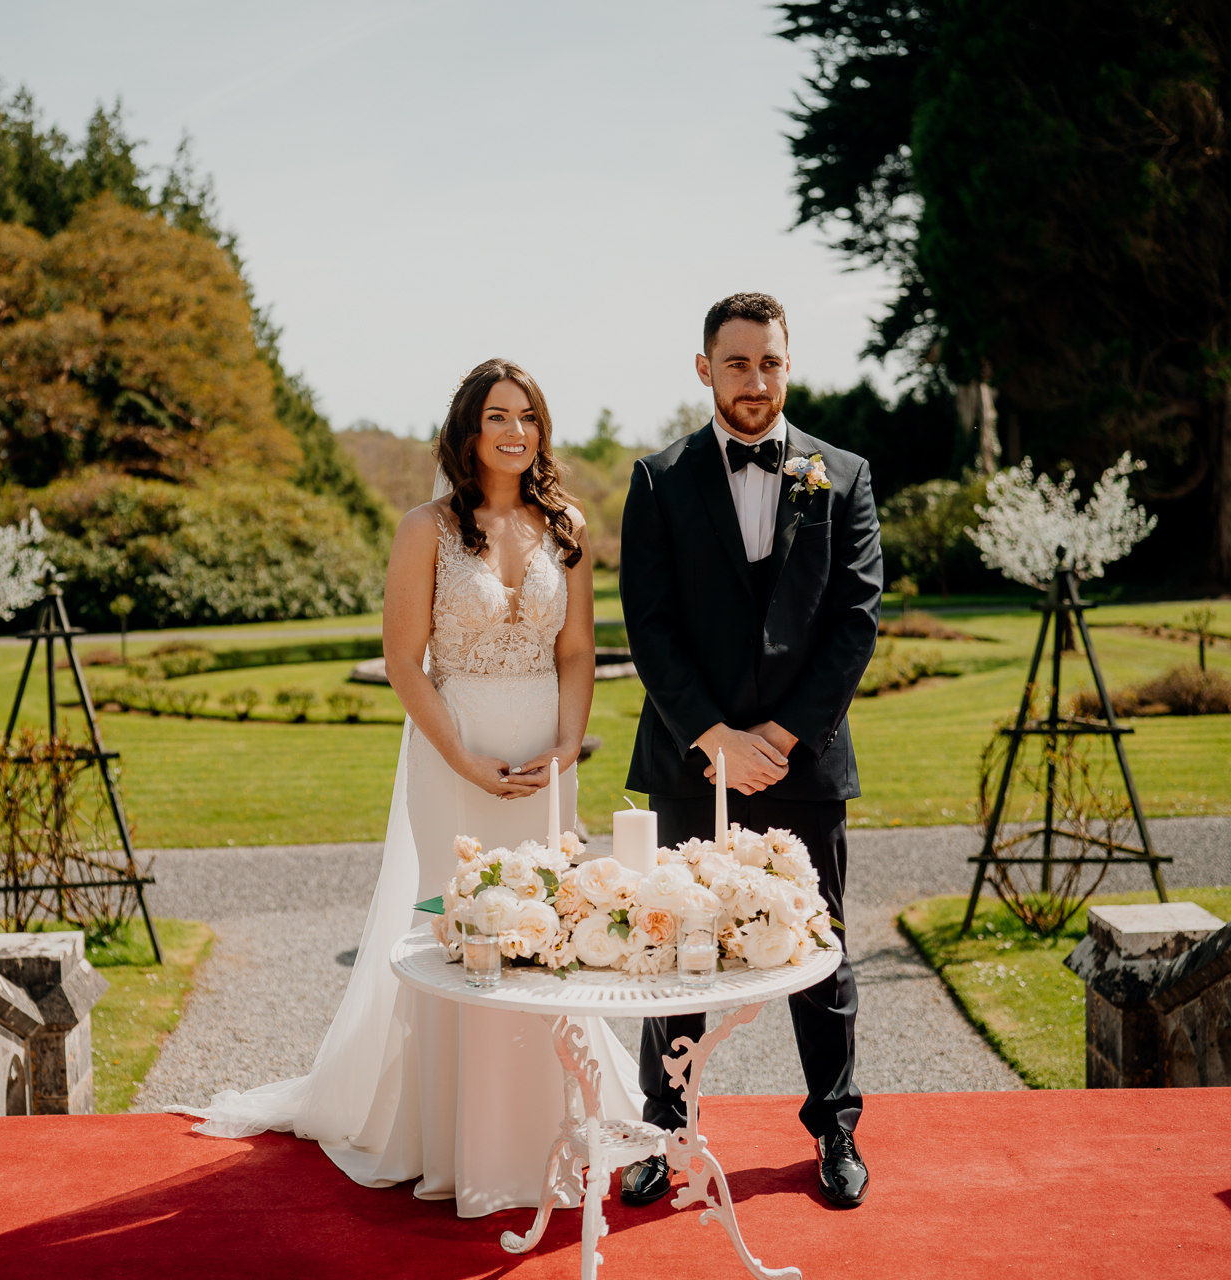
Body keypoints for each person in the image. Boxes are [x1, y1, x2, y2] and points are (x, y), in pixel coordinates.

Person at [167, 358, 643, 1217]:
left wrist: (568, 748)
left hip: (543, 765)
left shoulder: (564, 523)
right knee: (461, 932)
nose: (515, 430)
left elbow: (577, 652)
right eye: (498, 415)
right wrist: (462, 758)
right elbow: (402, 661)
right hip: (450, 757)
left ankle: (552, 1125)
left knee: (546, 926)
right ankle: (450, 1137)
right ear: (468, 430)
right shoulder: (424, 526)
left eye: (527, 415)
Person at [616, 292, 882, 1209]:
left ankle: (835, 1131)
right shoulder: (658, 480)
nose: (756, 380)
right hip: (691, 759)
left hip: (804, 761)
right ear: (705, 370)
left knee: (822, 950)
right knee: (675, 946)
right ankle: (664, 1129)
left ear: (787, 364)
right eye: (737, 363)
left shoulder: (841, 475)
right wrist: (715, 737)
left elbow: (854, 623)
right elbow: (647, 626)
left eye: (769, 362)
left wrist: (778, 737)